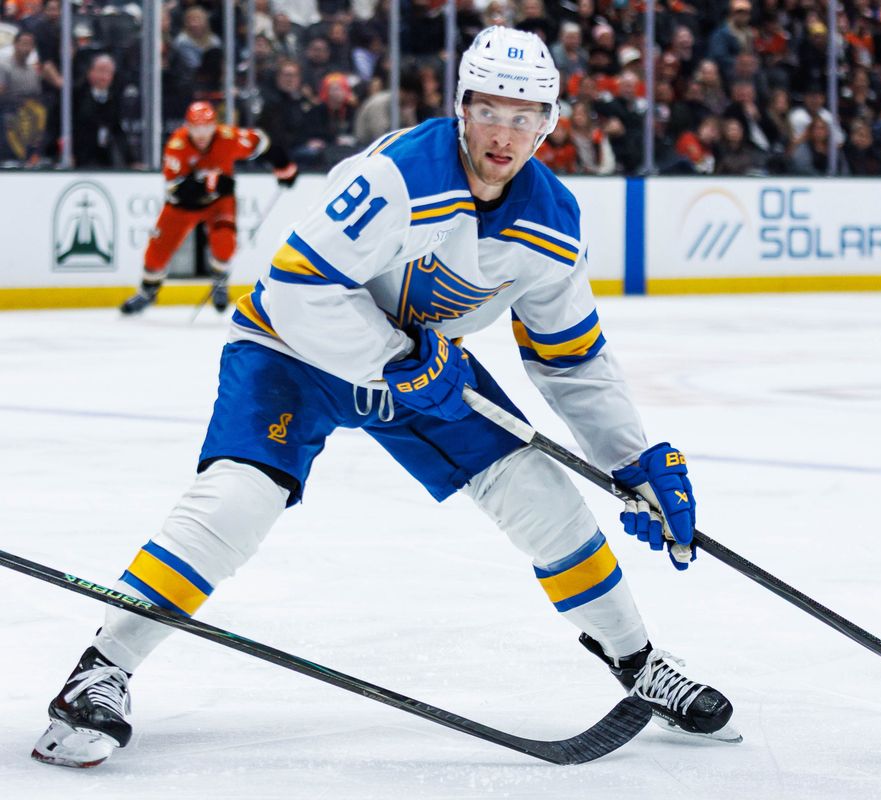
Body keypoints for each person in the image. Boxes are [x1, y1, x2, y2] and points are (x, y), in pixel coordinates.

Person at [33, 26, 738, 769]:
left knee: (543, 495)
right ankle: (101, 670)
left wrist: (632, 461)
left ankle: (640, 665)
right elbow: (298, 287)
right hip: (295, 351)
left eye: (527, 115)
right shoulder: (401, 177)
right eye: (491, 110)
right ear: (461, 107)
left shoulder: (552, 222)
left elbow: (571, 360)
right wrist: (397, 358)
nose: (506, 133)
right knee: (238, 501)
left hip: (417, 365)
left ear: (551, 122)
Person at [118, 101, 298, 316]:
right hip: (182, 206)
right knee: (156, 252)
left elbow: (261, 142)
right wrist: (210, 184)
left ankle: (219, 282)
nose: (202, 134)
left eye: (207, 127)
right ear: (187, 126)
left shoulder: (228, 137)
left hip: (219, 203)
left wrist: (284, 166)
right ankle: (148, 291)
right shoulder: (177, 146)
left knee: (224, 242)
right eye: (196, 127)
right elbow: (175, 190)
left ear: (215, 125)